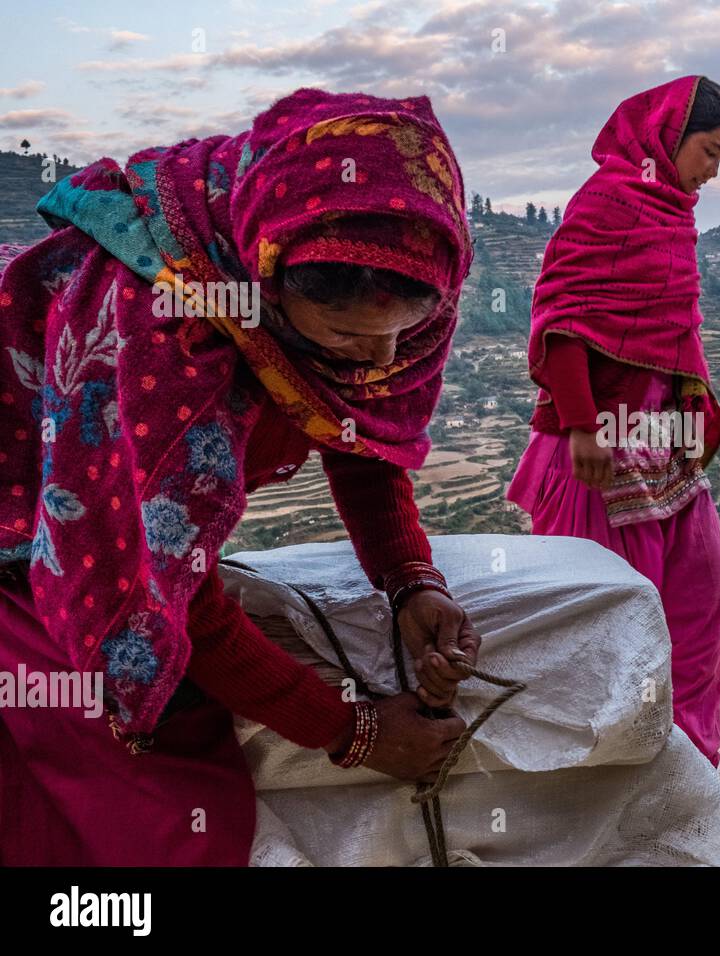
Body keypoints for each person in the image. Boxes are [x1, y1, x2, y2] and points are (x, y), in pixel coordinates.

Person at [0, 88, 483, 865]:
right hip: (27, 520)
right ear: (265, 285)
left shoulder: (393, 267)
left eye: (404, 334)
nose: (385, 361)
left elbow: (358, 424)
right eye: (349, 336)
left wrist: (409, 579)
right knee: (141, 804)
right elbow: (175, 596)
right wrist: (355, 733)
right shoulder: (163, 333)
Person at [506, 76, 720, 766]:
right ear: (670, 133)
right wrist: (581, 423)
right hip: (597, 450)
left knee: (702, 602)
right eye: (709, 151)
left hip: (661, 444)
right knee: (610, 621)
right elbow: (565, 314)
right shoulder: (608, 202)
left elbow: (670, 330)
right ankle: (607, 772)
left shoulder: (673, 210)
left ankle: (689, 760)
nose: (713, 171)